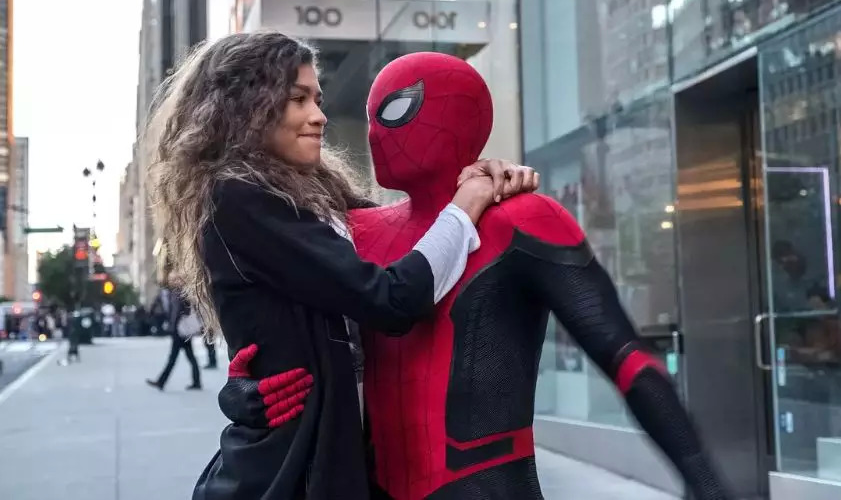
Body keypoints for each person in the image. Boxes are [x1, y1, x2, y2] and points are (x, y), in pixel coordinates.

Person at [223, 52, 732, 499]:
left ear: (459, 115)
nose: (375, 131)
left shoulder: (520, 220)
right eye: (370, 115)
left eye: (395, 109)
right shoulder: (353, 229)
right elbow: (283, 323)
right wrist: (246, 392)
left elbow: (625, 358)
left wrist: (708, 484)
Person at [144, 31, 538, 500]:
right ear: (247, 107)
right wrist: (466, 202)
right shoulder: (240, 199)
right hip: (292, 473)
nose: (319, 115)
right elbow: (390, 297)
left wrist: (475, 180)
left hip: (352, 456)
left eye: (317, 99)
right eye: (298, 99)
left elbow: (410, 242)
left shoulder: (313, 191)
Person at [145, 269, 202, 391]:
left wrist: (175, 324)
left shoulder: (182, 293)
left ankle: (161, 381)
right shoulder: (174, 293)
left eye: (175, 279)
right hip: (179, 329)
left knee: (174, 357)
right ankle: (196, 381)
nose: (173, 281)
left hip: (180, 329)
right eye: (172, 279)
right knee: (188, 356)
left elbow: (183, 311)